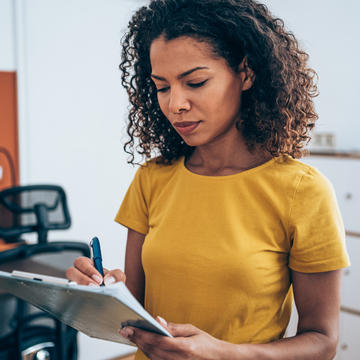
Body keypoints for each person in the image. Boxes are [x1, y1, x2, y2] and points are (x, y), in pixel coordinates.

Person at [66, 0, 350, 359]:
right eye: (162, 87)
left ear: (245, 74)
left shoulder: (302, 191)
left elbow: (322, 341)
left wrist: (224, 353)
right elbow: (134, 319)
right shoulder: (152, 179)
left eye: (195, 82)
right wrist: (101, 294)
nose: (175, 104)